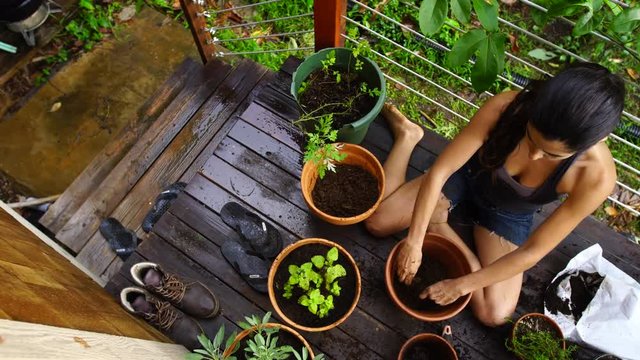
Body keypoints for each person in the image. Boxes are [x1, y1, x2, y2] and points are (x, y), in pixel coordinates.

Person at [364, 63, 625, 326]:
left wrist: (462, 284)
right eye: (530, 138)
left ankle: (439, 224)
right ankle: (408, 137)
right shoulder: (508, 107)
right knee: (377, 222)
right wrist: (414, 241)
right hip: (466, 178)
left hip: (508, 215)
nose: (534, 154)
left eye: (551, 154)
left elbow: (532, 252)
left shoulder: (597, 178)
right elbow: (441, 171)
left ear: (595, 141)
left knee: (495, 313)